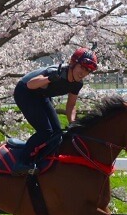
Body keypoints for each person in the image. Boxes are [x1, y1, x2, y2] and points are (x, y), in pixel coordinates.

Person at [12, 47, 98, 175]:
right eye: (82, 67)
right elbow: (30, 85)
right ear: (73, 63)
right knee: (45, 132)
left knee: (57, 134)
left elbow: (71, 106)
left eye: (87, 70)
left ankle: (40, 160)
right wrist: (49, 79)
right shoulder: (56, 71)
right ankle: (21, 163)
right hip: (25, 92)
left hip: (41, 96)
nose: (83, 73)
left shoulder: (77, 84)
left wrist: (73, 122)